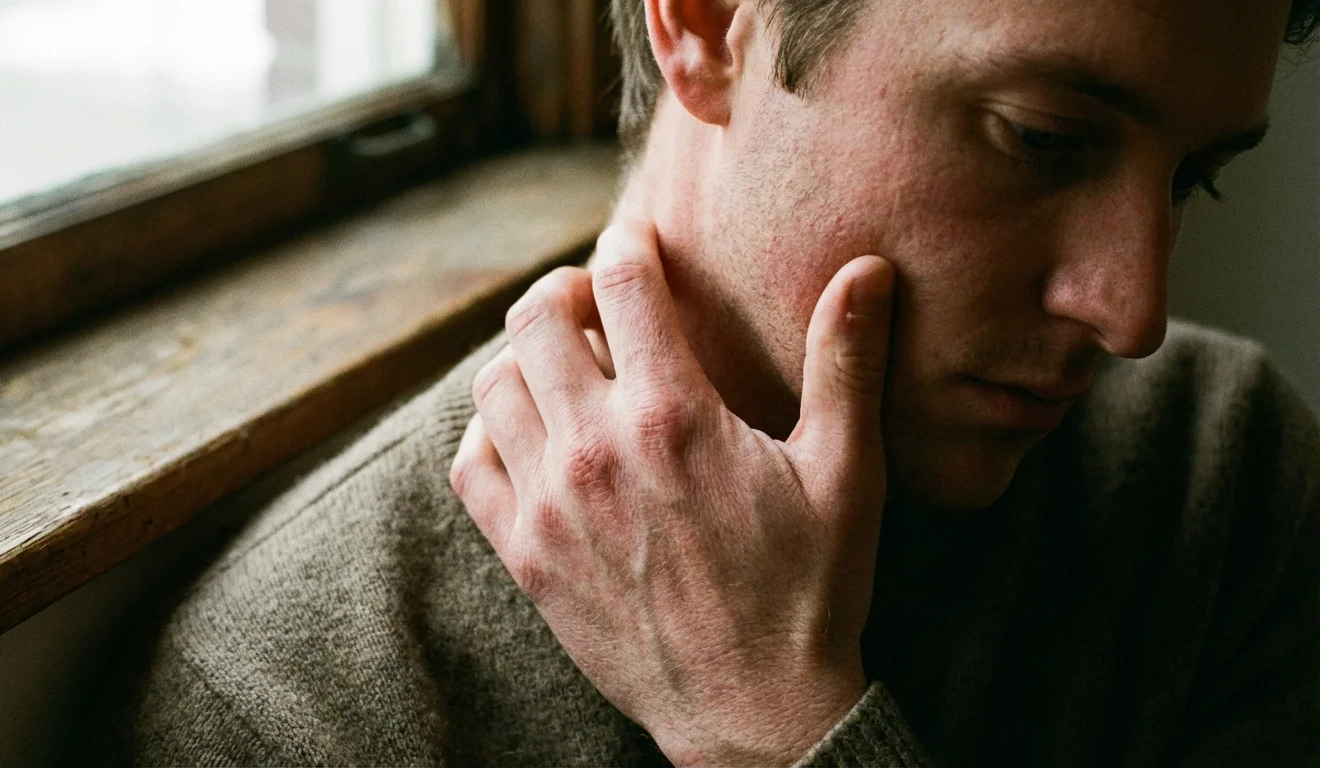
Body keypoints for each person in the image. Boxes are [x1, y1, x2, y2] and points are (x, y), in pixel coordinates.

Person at [103, 0, 1320, 765]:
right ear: (703, 26)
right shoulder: (317, 694)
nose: (1132, 311)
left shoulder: (1224, 477)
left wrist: (777, 730)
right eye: (1042, 138)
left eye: (1191, 179)